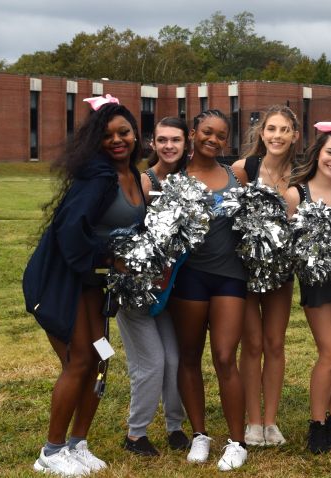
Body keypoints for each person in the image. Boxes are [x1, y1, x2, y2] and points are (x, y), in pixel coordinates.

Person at [23, 96, 144, 476]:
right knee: (79, 360)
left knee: (100, 357)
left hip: (95, 285)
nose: (117, 140)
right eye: (107, 136)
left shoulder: (135, 176)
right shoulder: (99, 176)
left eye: (123, 132)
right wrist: (109, 257)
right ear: (96, 142)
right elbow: (69, 231)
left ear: (135, 134)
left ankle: (78, 444)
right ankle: (51, 451)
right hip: (65, 280)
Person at [168, 109, 248, 471]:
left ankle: (237, 441)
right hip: (191, 276)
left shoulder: (237, 175)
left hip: (230, 276)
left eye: (220, 135)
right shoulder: (175, 177)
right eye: (206, 132)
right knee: (189, 356)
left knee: (225, 357)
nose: (213, 140)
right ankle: (200, 434)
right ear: (193, 133)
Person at [283, 123, 331, 454]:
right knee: (330, 352)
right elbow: (284, 245)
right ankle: (316, 424)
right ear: (318, 154)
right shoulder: (296, 194)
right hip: (316, 285)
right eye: (330, 152)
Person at [115, 117, 190, 456]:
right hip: (137, 288)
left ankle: (175, 427)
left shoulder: (188, 182)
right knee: (151, 362)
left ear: (185, 142)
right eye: (163, 140)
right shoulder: (144, 181)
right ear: (152, 144)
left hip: (166, 291)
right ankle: (136, 435)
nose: (169, 145)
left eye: (175, 139)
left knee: (174, 360)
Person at [231, 105, 300, 447]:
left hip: (281, 273)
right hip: (244, 272)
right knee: (253, 343)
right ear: (262, 134)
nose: (277, 136)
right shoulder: (244, 170)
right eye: (271, 129)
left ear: (294, 135)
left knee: (274, 343)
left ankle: (271, 422)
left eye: (284, 130)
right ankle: (252, 422)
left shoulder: (300, 174)